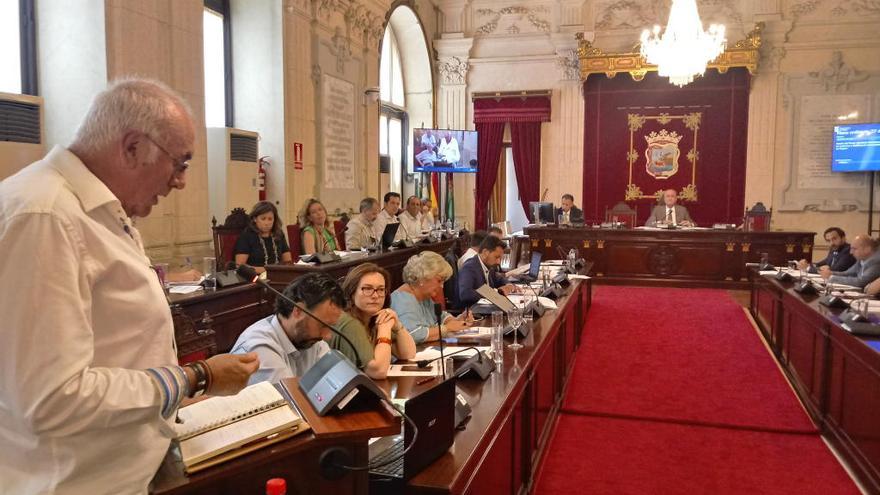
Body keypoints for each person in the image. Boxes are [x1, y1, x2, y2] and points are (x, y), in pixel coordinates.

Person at [0, 78, 259, 494]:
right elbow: (51, 399)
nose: (181, 182)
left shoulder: (96, 211)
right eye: (180, 163)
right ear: (133, 147)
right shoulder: (45, 215)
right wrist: (195, 377)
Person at [231, 273, 345, 385]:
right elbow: (290, 396)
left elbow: (340, 381)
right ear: (298, 311)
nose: (327, 336)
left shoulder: (310, 339)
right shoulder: (259, 348)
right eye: (323, 325)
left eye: (331, 327)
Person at [330, 263, 417, 379]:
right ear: (352, 292)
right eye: (367, 289)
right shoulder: (348, 322)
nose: (375, 296)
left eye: (381, 289)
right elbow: (378, 372)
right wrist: (384, 330)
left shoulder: (373, 317)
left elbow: (408, 354)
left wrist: (397, 326)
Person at [391, 251, 475, 343]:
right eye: (439, 281)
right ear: (422, 277)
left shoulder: (424, 296)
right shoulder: (402, 301)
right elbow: (413, 334)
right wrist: (447, 328)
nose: (442, 286)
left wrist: (457, 321)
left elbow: (440, 317)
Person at [234, 201, 293, 273]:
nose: (267, 223)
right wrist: (269, 270)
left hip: (278, 275)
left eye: (270, 219)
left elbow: (288, 262)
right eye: (263, 219)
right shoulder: (247, 235)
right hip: (255, 277)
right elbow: (240, 267)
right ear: (255, 219)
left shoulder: (279, 234)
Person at [458, 235, 517, 307]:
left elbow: (499, 279)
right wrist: (494, 293)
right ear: (485, 252)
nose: (498, 262)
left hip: (487, 309)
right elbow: (465, 294)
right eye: (496, 257)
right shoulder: (469, 268)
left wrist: (509, 285)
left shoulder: (489, 266)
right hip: (473, 311)